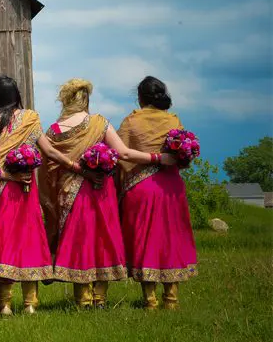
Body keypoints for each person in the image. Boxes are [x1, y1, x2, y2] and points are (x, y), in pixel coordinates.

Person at [38, 79, 176, 308]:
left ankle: (83, 299)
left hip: (68, 192)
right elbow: (121, 152)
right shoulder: (99, 123)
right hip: (100, 190)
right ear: (86, 99)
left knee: (79, 242)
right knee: (102, 239)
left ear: (65, 100)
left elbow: (47, 166)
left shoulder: (53, 130)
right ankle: (100, 297)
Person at [0, 76, 71, 316]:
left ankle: (4, 305)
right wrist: (74, 165)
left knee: (2, 240)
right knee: (29, 239)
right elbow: (48, 151)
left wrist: (5, 174)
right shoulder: (30, 118)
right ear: (17, 96)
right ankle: (30, 304)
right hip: (25, 189)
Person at [118, 77, 197, 310]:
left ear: (140, 98)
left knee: (145, 240)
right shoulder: (173, 120)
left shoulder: (131, 121)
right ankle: (171, 299)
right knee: (172, 239)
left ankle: (150, 301)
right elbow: (183, 157)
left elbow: (120, 155)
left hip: (141, 187)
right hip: (171, 186)